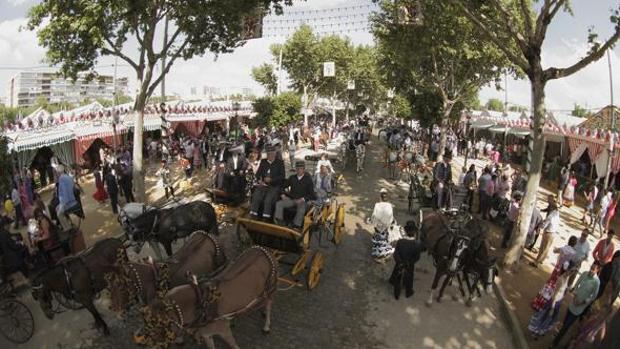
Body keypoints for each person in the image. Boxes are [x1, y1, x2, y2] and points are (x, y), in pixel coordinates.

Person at [551, 263, 601, 348]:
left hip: (579, 308)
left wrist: (583, 302)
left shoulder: (597, 282)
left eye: (593, 269)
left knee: (567, 326)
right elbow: (577, 284)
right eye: (591, 268)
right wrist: (574, 295)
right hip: (573, 303)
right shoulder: (585, 273)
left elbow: (593, 296)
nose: (591, 270)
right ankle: (559, 337)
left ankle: (555, 343)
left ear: (597, 270)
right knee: (565, 323)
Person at [528, 261, 577, 339]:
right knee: (544, 316)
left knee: (548, 319)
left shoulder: (566, 278)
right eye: (571, 271)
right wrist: (553, 307)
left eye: (573, 272)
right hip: (553, 302)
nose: (572, 273)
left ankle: (540, 331)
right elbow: (555, 294)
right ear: (567, 270)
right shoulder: (561, 279)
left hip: (558, 302)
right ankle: (535, 332)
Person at [274, 161, 315, 229]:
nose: (299, 170)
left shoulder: (308, 180)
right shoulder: (292, 178)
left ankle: (295, 226)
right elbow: (281, 187)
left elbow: (312, 195)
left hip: (302, 201)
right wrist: (282, 194)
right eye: (297, 168)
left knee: (301, 209)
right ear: (295, 169)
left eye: (301, 168)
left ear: (304, 169)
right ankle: (279, 222)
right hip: (292, 199)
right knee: (279, 204)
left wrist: (302, 199)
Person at [389, 221, 423, 300]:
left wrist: (399, 261)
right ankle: (408, 292)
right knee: (409, 277)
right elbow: (417, 257)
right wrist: (409, 262)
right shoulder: (417, 244)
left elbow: (395, 254)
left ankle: (396, 294)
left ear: (406, 231)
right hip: (409, 265)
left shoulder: (400, 242)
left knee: (397, 276)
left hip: (399, 263)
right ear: (414, 232)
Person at [250, 146, 285, 221]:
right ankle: (253, 214)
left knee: (268, 199)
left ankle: (266, 217)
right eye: (268, 154)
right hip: (263, 185)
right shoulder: (263, 161)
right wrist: (259, 181)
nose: (270, 156)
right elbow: (258, 174)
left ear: (275, 154)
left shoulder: (280, 163)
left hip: (274, 185)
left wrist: (271, 180)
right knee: (256, 195)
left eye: (272, 154)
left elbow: (282, 176)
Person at [532, 201, 560, 268]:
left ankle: (537, 262)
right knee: (547, 248)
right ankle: (541, 260)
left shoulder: (550, 216)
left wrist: (540, 226)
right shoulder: (557, 213)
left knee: (543, 248)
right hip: (553, 232)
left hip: (548, 232)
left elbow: (544, 225)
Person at [370, 189, 395, 261]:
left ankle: (377, 254)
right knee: (385, 240)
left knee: (378, 240)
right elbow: (391, 217)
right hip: (386, 226)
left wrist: (374, 223)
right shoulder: (389, 205)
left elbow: (374, 216)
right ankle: (384, 254)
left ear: (380, 197)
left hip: (378, 226)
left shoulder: (377, 205)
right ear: (386, 198)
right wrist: (388, 224)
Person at [56, 166, 78, 231]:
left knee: (59, 214)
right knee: (57, 208)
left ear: (58, 173)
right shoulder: (66, 176)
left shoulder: (62, 179)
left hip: (69, 201)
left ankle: (67, 228)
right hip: (71, 199)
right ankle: (69, 223)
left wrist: (63, 204)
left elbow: (65, 193)